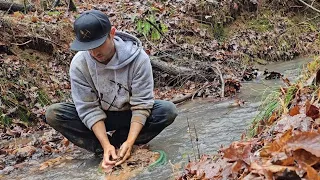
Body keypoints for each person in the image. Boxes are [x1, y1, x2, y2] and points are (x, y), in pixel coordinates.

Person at [45, 10, 178, 170]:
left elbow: (142, 105)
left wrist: (130, 141)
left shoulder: (138, 59)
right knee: (54, 114)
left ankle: (125, 142)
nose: (94, 53)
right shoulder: (79, 64)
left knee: (167, 111)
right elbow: (89, 109)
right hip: (101, 117)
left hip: (129, 113)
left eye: (98, 45)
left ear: (112, 34)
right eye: (89, 48)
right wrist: (105, 144)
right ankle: (106, 150)